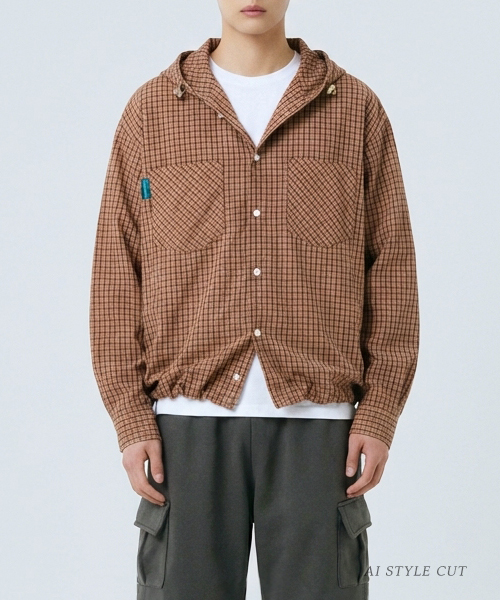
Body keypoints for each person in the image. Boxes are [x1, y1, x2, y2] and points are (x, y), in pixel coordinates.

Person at [89, 1, 419, 598]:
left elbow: (391, 268)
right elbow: (117, 272)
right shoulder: (152, 111)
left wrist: (380, 411)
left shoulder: (355, 109)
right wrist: (129, 414)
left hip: (321, 430)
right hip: (184, 428)